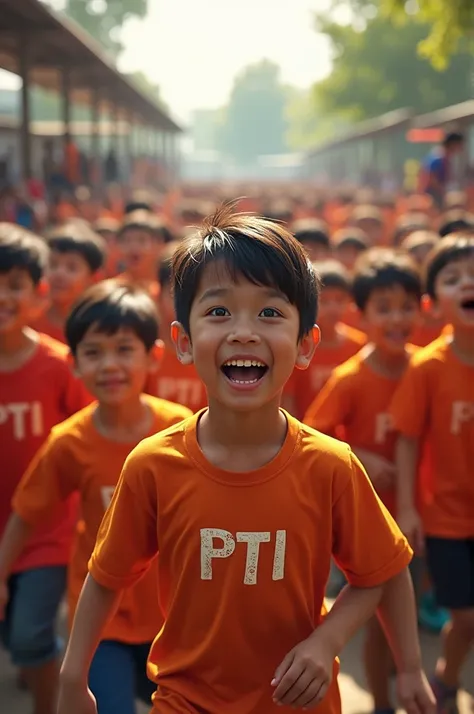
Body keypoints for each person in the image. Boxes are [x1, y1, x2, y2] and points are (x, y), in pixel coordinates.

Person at [58, 204, 434, 714]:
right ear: (183, 342)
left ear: (305, 346)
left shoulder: (330, 465)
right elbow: (106, 577)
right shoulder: (153, 465)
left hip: (299, 705)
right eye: (218, 311)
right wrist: (73, 676)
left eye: (270, 312)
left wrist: (344, 647)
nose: (243, 331)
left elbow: (383, 572)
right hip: (184, 699)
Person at [0, 280, 191, 714]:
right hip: (103, 623)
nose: (109, 365)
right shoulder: (69, 442)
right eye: (93, 352)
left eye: (124, 349)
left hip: (176, 619)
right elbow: (26, 512)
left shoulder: (182, 431)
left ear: (154, 355)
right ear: (74, 363)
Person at [304, 248, 423, 714]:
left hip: (422, 509)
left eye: (407, 307)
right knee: (380, 620)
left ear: (423, 308)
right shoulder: (351, 377)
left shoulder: (427, 367)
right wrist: (364, 456)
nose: (397, 319)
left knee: (411, 611)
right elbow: (314, 431)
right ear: (364, 314)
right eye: (384, 308)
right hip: (372, 513)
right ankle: (380, 702)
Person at [0, 223, 91, 714]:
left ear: (38, 292)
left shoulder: (59, 366)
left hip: (46, 533)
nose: (1, 297)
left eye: (13, 285)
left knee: (32, 636)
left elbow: (90, 436)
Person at [390, 234, 474, 713]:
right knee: (464, 617)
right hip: (444, 517)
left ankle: (449, 676)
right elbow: (406, 438)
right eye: (453, 277)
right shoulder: (427, 368)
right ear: (432, 301)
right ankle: (447, 676)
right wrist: (406, 506)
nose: (468, 284)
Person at [284, 260, 366, 419]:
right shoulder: (299, 347)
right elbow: (288, 400)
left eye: (339, 300)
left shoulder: (359, 345)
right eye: (324, 301)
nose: (333, 308)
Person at [145, 243, 207, 412]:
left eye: (196, 293)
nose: (186, 303)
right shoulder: (144, 350)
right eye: (176, 293)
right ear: (158, 294)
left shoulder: (214, 348)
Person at [31, 221, 106, 343]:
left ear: (94, 278)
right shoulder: (27, 319)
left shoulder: (101, 326)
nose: (59, 274)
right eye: (53, 264)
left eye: (72, 267)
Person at [116, 210, 167, 299]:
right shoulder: (113, 290)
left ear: (159, 245)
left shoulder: (168, 291)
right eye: (127, 240)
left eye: (141, 240)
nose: (133, 246)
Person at [419, 132, 465, 209]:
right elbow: (430, 179)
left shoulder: (446, 157)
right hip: (433, 197)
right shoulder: (438, 158)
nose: (461, 147)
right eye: (459, 144)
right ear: (452, 144)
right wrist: (444, 192)